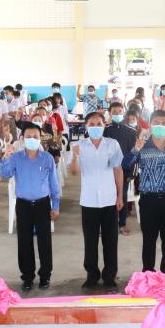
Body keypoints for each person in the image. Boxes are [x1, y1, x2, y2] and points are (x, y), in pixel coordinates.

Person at [122, 110, 165, 277]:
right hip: (148, 200)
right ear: (151, 125)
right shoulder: (142, 145)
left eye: (163, 123)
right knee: (149, 239)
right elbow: (125, 165)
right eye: (156, 123)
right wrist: (135, 150)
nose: (160, 126)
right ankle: (148, 273)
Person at [0, 123, 61, 291]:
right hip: (23, 205)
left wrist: (56, 205)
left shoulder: (47, 158)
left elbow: (54, 184)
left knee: (44, 242)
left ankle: (45, 276)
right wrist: (6, 156)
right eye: (28, 136)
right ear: (22, 139)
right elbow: (4, 174)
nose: (32, 139)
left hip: (42, 204)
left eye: (35, 136)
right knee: (24, 242)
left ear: (40, 138)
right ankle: (27, 277)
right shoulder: (16, 157)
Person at [69, 112, 124, 289]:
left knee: (111, 241)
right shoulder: (79, 146)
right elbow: (74, 172)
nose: (95, 127)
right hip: (89, 201)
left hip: (109, 199)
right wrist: (75, 157)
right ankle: (92, 275)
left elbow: (118, 170)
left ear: (104, 125)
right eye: (91, 124)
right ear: (86, 127)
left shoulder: (112, 144)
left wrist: (120, 195)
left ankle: (110, 276)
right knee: (90, 241)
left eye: (98, 124)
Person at [104, 102, 138, 235]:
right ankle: (106, 225)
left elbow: (134, 154)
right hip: (107, 170)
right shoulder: (105, 130)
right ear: (110, 113)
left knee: (122, 196)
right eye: (115, 112)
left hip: (124, 171)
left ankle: (122, 224)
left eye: (120, 112)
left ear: (123, 113)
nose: (117, 114)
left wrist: (131, 173)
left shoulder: (131, 132)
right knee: (107, 197)